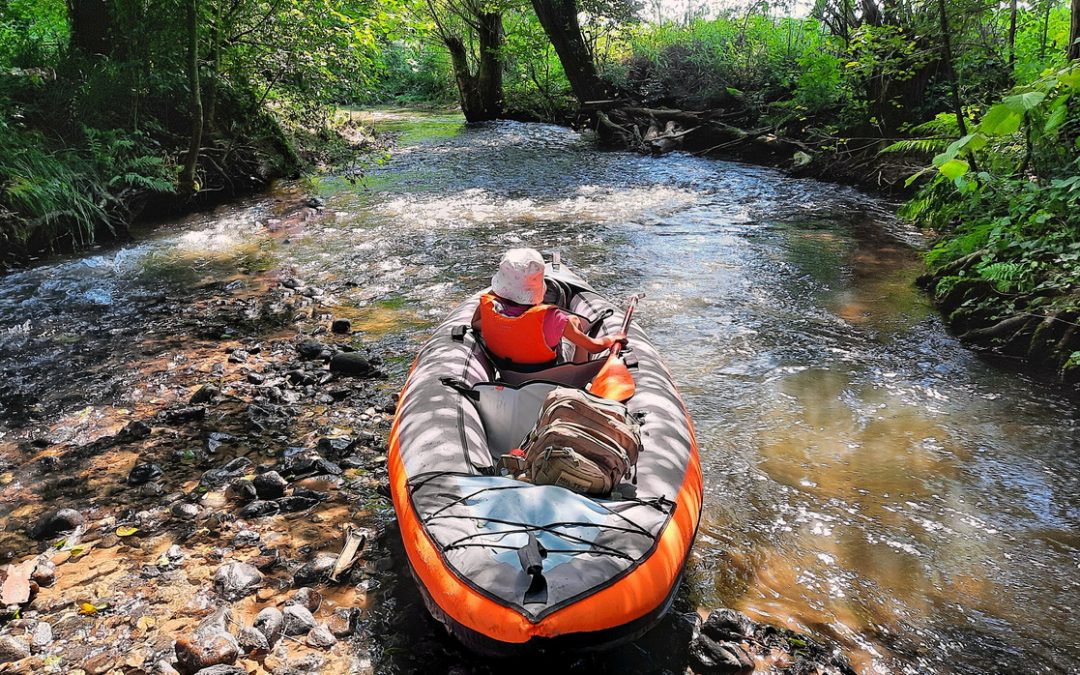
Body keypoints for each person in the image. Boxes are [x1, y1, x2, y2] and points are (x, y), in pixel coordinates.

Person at [471, 248, 623, 366]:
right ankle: (579, 375)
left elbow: (475, 323)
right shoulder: (554, 319)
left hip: (511, 372)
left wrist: (495, 293)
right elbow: (594, 347)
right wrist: (612, 338)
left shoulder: (491, 310)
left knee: (570, 323)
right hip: (550, 374)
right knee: (574, 321)